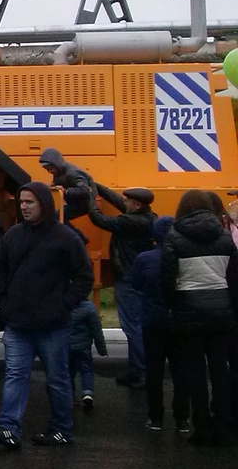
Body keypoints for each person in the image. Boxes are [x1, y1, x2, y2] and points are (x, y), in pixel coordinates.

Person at [0, 183, 93, 449]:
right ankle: (9, 429)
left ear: (44, 203)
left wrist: (64, 305)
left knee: (57, 379)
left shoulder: (66, 238)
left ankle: (61, 429)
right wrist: (3, 301)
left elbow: (84, 276)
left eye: (29, 202)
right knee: (14, 375)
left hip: (53, 325)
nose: (23, 207)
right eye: (21, 202)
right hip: (18, 322)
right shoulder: (13, 236)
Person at [159, 190, 238, 446]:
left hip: (187, 311)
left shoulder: (174, 236)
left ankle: (201, 427)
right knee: (220, 371)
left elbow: (167, 279)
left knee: (195, 373)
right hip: (222, 312)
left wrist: (174, 304)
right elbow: (234, 278)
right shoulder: (225, 236)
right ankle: (223, 426)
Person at [87, 184, 156, 389]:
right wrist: (97, 186)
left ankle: (141, 372)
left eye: (127, 200)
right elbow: (118, 201)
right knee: (136, 325)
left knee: (133, 326)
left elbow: (98, 219)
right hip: (136, 279)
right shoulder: (147, 216)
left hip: (128, 279)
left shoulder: (130, 222)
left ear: (135, 205)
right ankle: (136, 370)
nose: (123, 202)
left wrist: (91, 197)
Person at [130, 215, 188, 432]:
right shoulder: (183, 256)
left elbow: (135, 283)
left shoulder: (144, 258)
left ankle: (155, 417)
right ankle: (182, 418)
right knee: (181, 370)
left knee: (154, 371)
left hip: (152, 320)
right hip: (178, 319)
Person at [67, 297, 106, 415]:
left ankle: (71, 396)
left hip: (67, 346)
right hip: (84, 346)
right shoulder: (89, 308)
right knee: (87, 370)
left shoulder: (65, 306)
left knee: (69, 372)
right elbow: (96, 330)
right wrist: (102, 348)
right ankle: (87, 393)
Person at [38, 147, 94, 222]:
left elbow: (84, 190)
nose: (50, 171)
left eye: (51, 169)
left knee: (58, 217)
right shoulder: (59, 171)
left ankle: (73, 234)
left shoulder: (73, 173)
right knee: (58, 217)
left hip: (85, 204)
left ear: (57, 164)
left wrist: (66, 191)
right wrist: (51, 186)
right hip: (76, 203)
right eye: (48, 169)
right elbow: (59, 182)